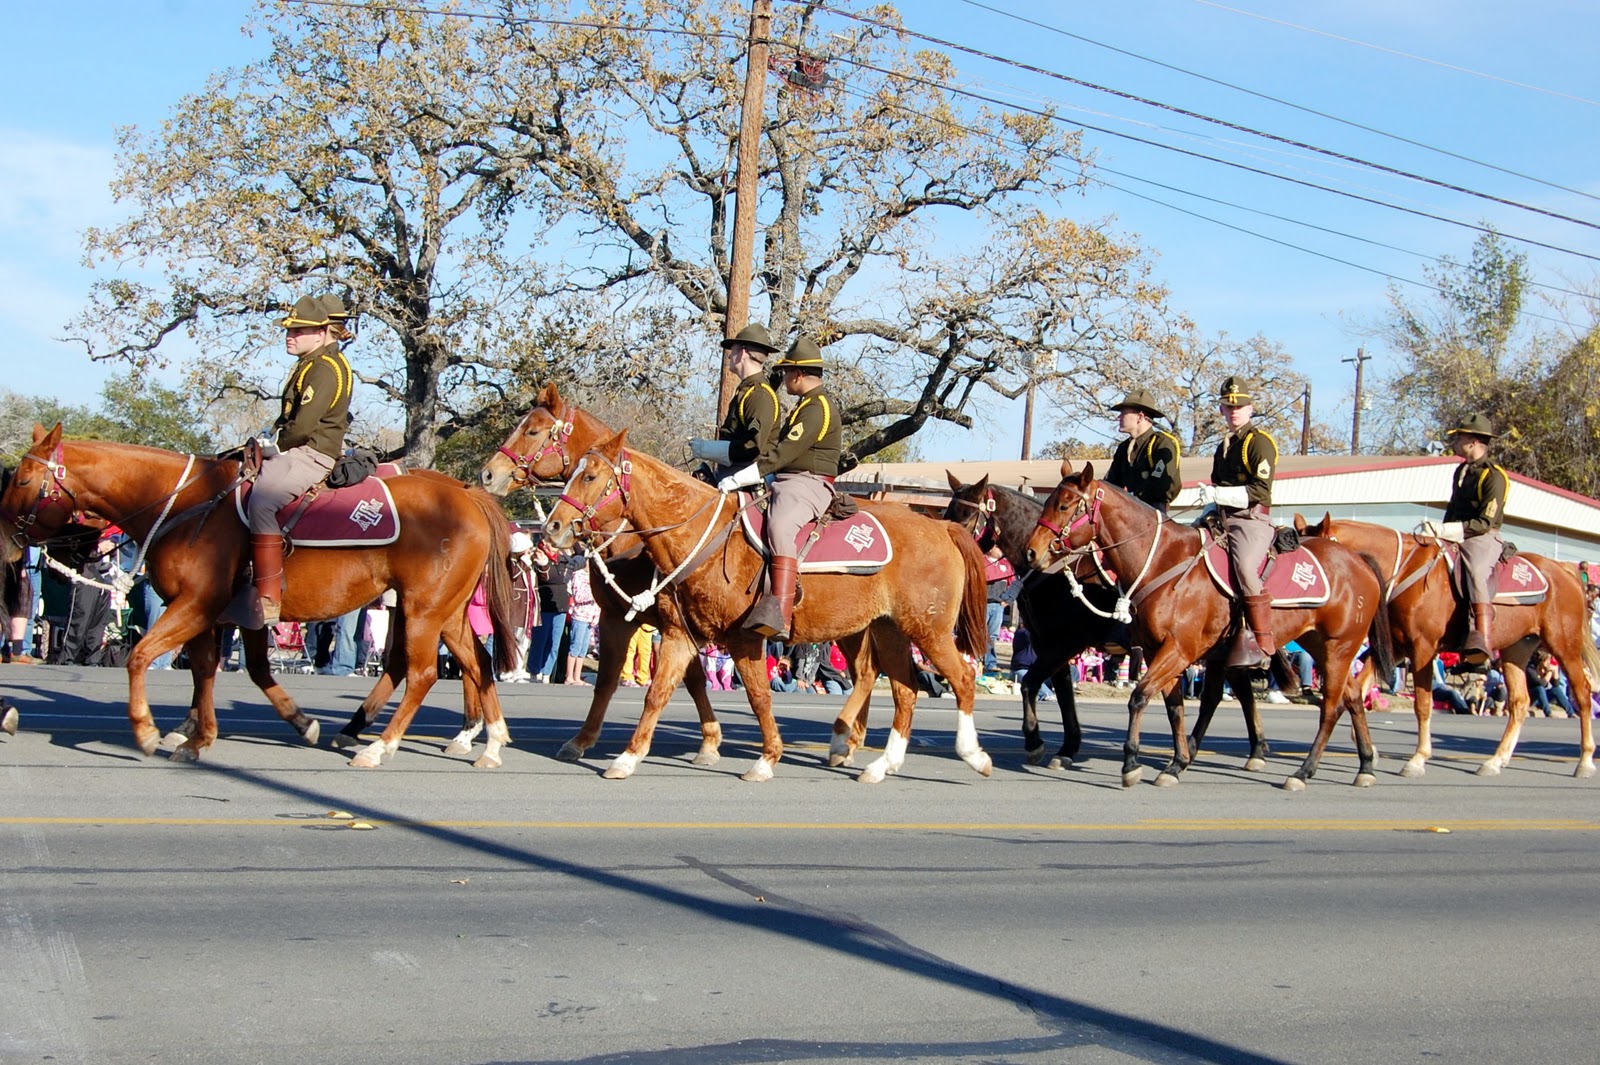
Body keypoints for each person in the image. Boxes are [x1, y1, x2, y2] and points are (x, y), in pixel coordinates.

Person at [717, 337, 841, 641]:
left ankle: (780, 613)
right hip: (786, 480)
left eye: (786, 372)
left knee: (781, 526)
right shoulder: (806, 406)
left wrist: (742, 476)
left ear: (798, 374)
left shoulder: (817, 408)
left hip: (807, 483)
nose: (783, 378)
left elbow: (783, 453)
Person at [248, 294, 355, 628]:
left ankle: (268, 594)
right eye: (290, 330)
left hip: (311, 453)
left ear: (322, 332)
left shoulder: (323, 368)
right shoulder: (311, 363)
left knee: (262, 503)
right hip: (301, 448)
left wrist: (271, 446)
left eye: (300, 330)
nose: (290, 335)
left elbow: (303, 426)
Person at [1194, 376, 1278, 669]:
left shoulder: (1259, 443)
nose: (1234, 412)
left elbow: (1262, 491)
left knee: (1244, 568)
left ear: (1250, 408)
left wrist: (1219, 493)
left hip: (1250, 520)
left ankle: (1263, 641)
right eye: (1228, 407)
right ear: (1221, 411)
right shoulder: (1223, 447)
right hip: (1221, 518)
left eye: (1239, 406)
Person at [1420, 412, 1508, 666]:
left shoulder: (1493, 475)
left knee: (1476, 571)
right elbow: (1453, 506)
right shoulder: (1461, 470)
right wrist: (1440, 530)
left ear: (1473, 442)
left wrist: (1453, 530)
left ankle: (1481, 641)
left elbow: (1485, 521)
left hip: (1482, 536)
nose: (1455, 442)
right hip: (1455, 532)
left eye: (1459, 438)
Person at [689, 323, 781, 481]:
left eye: (733, 350)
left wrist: (708, 449)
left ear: (743, 353)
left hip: (748, 480)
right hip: (732, 475)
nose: (730, 356)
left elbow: (753, 447)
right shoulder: (748, 390)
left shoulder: (760, 394)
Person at [1104, 388, 1182, 514]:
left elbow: (1161, 486)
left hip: (1154, 514)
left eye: (1124, 413)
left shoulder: (1162, 443)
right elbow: (1111, 484)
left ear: (1140, 417)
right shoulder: (1123, 448)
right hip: (1129, 513)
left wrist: (1131, 498)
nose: (1119, 417)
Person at [501, 531, 541, 682]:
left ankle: (518, 668)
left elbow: (541, 579)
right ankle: (507, 670)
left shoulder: (529, 563)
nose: (531, 552)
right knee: (512, 639)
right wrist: (524, 562)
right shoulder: (510, 563)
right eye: (528, 549)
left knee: (524, 640)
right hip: (516, 606)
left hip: (529, 607)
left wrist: (542, 565)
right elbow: (513, 575)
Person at [530, 550, 572, 683]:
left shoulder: (564, 560)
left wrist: (567, 553)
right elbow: (547, 577)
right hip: (545, 606)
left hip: (561, 606)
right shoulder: (541, 559)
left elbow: (579, 554)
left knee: (554, 642)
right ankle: (534, 671)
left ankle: (546, 672)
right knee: (540, 641)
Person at [982, 544, 1018, 676]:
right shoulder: (981, 561)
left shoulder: (1006, 565)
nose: (1001, 550)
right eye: (998, 547)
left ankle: (990, 663)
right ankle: (977, 661)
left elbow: (1013, 583)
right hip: (983, 604)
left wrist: (1007, 600)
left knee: (992, 635)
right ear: (990, 548)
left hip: (998, 606)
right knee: (980, 634)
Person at [564, 558, 599, 685]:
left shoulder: (594, 577)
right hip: (580, 616)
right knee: (575, 646)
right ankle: (569, 676)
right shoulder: (578, 575)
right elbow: (578, 596)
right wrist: (594, 593)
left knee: (583, 649)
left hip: (590, 617)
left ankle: (577, 677)